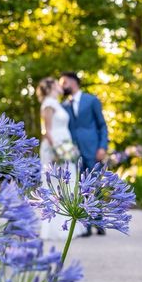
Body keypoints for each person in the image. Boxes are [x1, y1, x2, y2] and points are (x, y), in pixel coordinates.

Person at [59, 71, 109, 236]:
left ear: (73, 82)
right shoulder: (64, 105)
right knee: (80, 188)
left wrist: (102, 147)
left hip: (93, 149)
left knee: (96, 186)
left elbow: (102, 125)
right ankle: (85, 225)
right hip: (74, 152)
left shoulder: (91, 100)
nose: (62, 86)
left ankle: (98, 222)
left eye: (64, 82)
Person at [37, 77, 81, 241]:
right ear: (50, 87)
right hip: (54, 149)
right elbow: (46, 131)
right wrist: (57, 150)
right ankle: (54, 229)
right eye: (57, 83)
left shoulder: (56, 103)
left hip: (64, 147)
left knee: (67, 184)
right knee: (55, 185)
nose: (61, 85)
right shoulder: (48, 103)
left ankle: (68, 227)